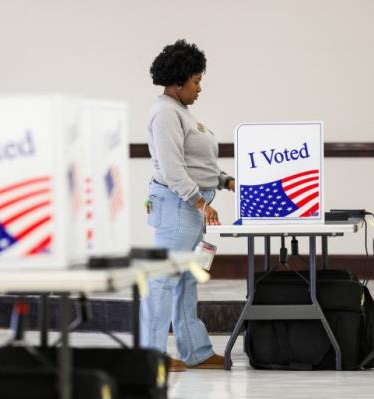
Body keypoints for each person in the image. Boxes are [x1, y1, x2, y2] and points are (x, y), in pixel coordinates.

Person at [140, 39, 236, 372]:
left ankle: (195, 351)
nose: (199, 88)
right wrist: (199, 202)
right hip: (178, 206)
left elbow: (198, 161)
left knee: (185, 279)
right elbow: (172, 168)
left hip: (189, 207)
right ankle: (150, 358)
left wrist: (225, 181)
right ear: (179, 81)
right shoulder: (166, 113)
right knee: (163, 280)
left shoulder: (181, 112)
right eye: (196, 81)